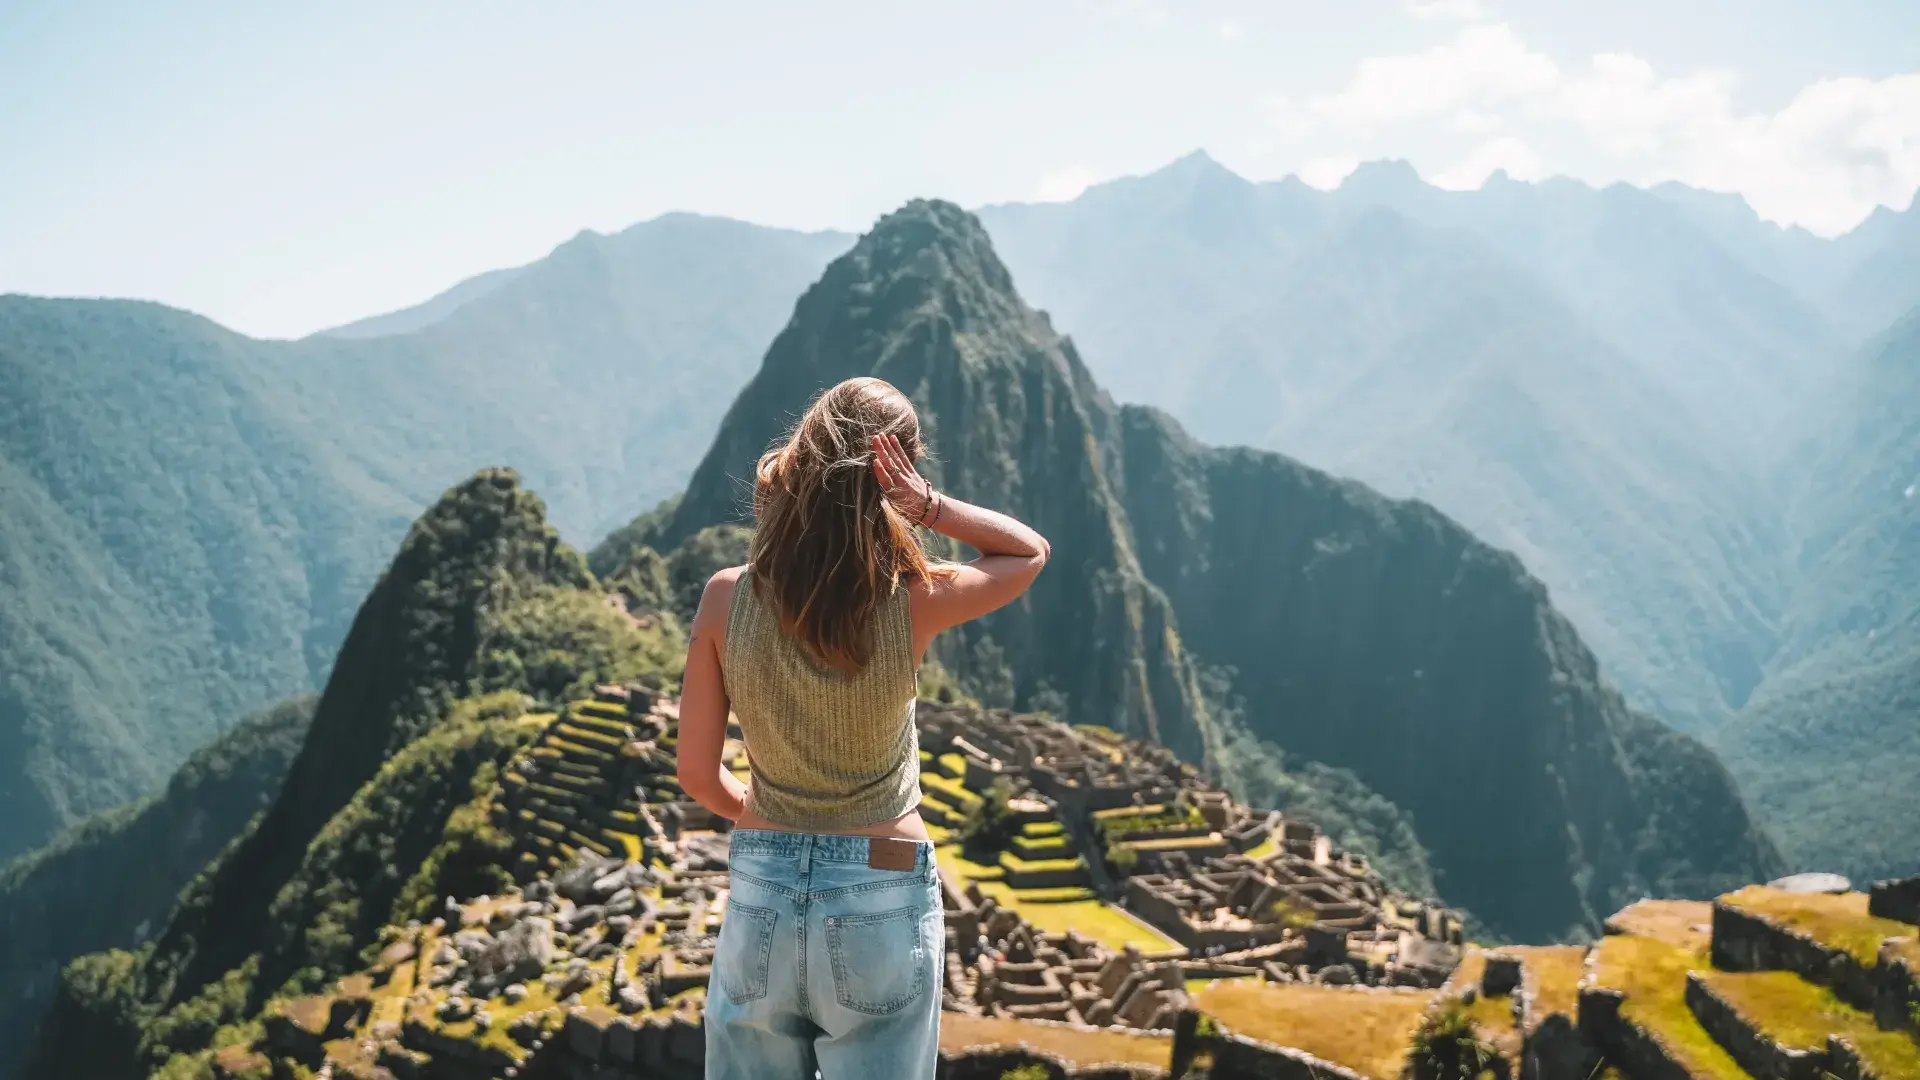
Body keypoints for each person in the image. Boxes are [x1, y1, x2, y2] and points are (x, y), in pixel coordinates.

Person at [676, 376, 1051, 1080]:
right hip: (882, 889)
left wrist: (762, 817)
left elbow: (697, 773)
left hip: (764, 885)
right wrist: (929, 506)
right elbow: (1027, 552)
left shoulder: (727, 598)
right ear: (893, 479)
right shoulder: (913, 600)